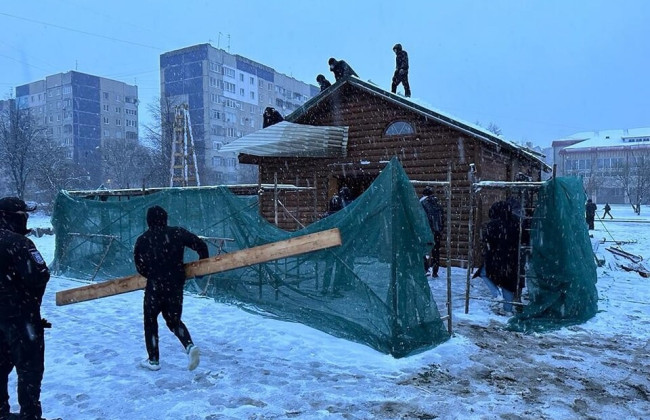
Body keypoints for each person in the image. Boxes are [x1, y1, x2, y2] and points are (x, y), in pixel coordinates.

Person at [134, 206, 209, 371]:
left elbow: (139, 267)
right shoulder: (177, 233)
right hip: (175, 285)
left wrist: (153, 273)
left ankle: (153, 360)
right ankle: (189, 346)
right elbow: (201, 245)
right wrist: (202, 267)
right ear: (165, 219)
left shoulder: (143, 240)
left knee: (150, 321)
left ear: (148, 221)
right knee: (174, 320)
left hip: (154, 286)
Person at [0, 197, 52, 420]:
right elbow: (40, 275)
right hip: (21, 319)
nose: (26, 220)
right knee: (29, 370)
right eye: (23, 216)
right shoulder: (19, 243)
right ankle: (30, 415)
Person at [479, 201, 520, 315]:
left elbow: (488, 240)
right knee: (508, 283)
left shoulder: (493, 224)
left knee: (483, 273)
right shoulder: (516, 222)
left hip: (495, 256)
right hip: (512, 257)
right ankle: (508, 310)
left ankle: (497, 294)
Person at [420, 186, 443, 277]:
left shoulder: (422, 203)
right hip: (437, 231)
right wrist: (440, 229)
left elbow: (421, 218)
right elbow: (442, 218)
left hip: (427, 230)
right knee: (436, 251)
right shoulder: (437, 203)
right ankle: (435, 271)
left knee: (423, 250)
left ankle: (425, 268)